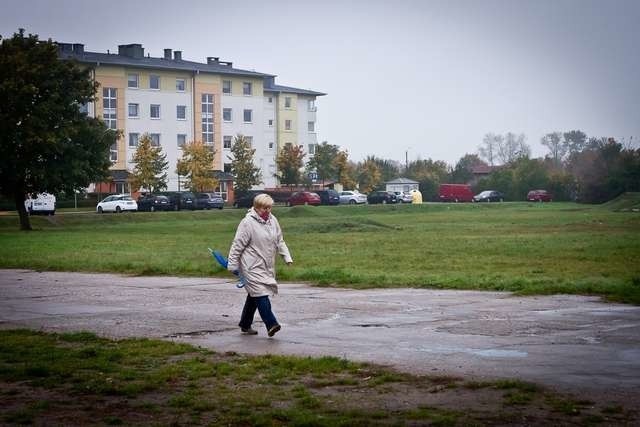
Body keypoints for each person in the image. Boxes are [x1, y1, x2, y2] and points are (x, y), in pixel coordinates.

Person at [227, 194, 292, 337]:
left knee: (254, 295)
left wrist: (287, 257)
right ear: (256, 207)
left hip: (266, 265)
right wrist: (232, 265)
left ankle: (245, 323)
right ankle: (271, 324)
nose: (268, 211)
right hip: (250, 266)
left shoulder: (272, 220)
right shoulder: (247, 223)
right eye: (264, 208)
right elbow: (237, 245)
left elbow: (279, 240)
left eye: (269, 207)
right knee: (261, 294)